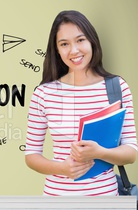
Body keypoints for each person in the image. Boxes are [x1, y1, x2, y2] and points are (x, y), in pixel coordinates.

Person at [24, 10, 137, 196]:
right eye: (64, 44)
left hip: (105, 200)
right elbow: (31, 155)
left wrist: (100, 152)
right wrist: (62, 168)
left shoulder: (117, 87)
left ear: (92, 41)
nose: (74, 50)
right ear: (57, 50)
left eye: (80, 40)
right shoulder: (44, 93)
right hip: (57, 199)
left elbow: (131, 152)